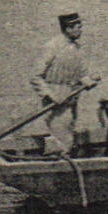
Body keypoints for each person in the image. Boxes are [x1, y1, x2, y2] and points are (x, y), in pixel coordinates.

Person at [30, 12, 100, 155]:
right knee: (62, 140)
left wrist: (89, 81)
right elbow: (35, 77)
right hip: (56, 101)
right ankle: (58, 167)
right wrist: (50, 95)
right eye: (77, 27)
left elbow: (81, 74)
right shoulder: (52, 46)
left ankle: (65, 163)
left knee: (69, 135)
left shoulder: (76, 49)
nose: (80, 30)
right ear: (68, 28)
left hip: (71, 99)